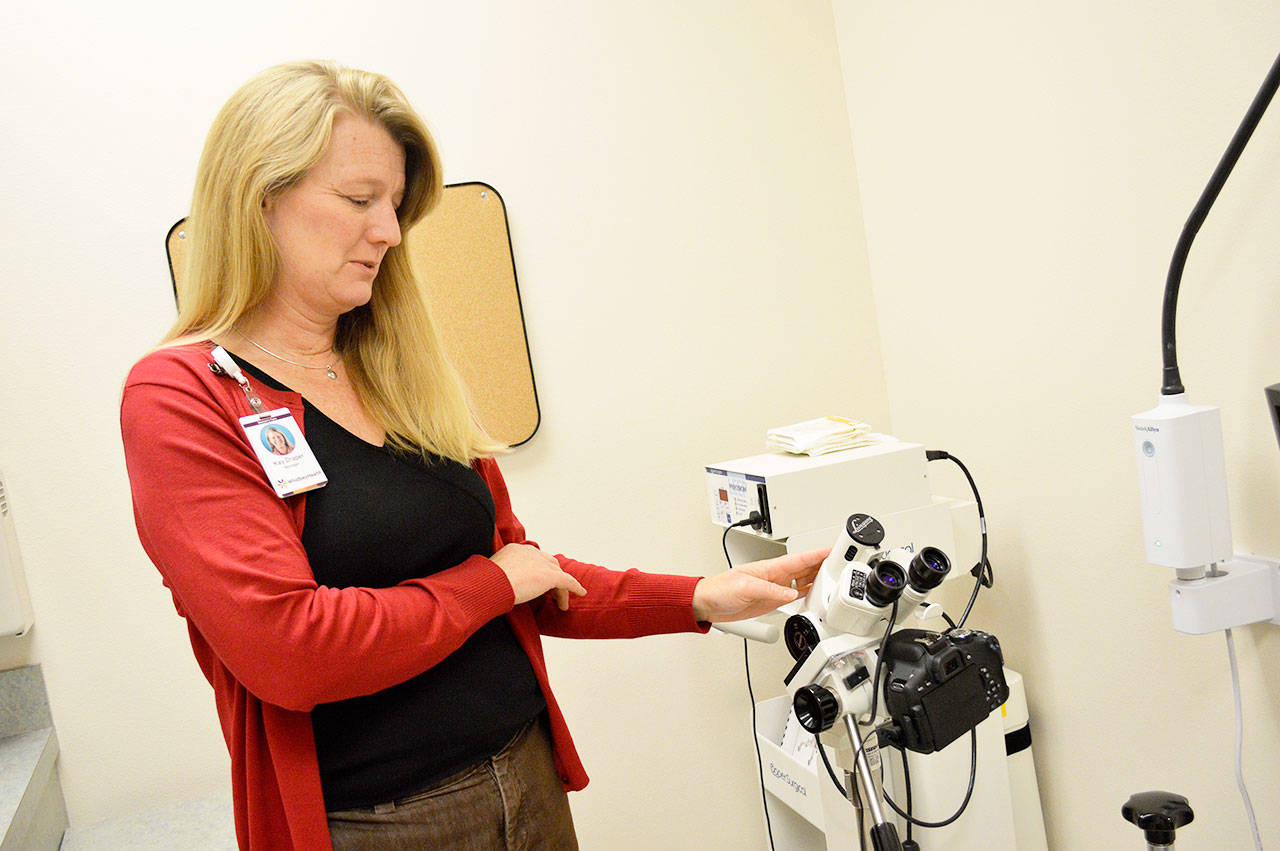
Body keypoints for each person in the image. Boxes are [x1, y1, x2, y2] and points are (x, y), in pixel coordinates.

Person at [120, 60, 825, 851]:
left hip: (524, 779)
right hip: (375, 826)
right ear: (260, 198)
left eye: (393, 205)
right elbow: (294, 650)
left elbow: (525, 572)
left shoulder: (399, 368)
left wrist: (699, 596)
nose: (387, 231)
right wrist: (487, 583)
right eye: (359, 200)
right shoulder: (181, 395)